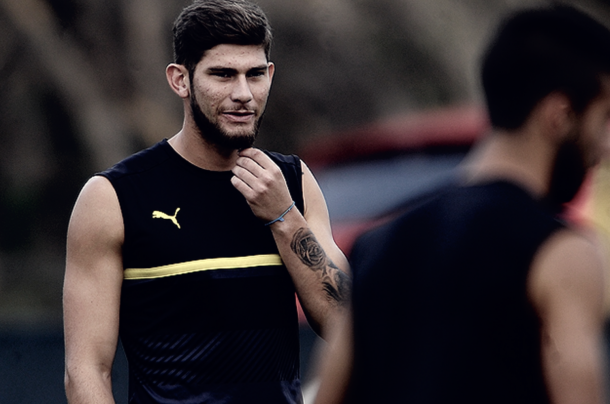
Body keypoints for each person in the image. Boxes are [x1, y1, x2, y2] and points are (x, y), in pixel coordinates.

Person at [314, 4, 610, 404]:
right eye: (604, 118)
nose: (604, 147)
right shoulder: (560, 253)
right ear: (559, 115)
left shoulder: (376, 247)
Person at [62, 1, 350, 403]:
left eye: (254, 75)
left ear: (270, 75)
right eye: (223, 75)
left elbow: (348, 322)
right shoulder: (114, 197)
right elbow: (86, 370)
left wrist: (284, 218)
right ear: (180, 80)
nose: (243, 94)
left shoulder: (293, 183)